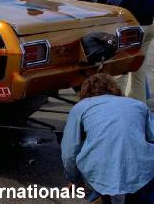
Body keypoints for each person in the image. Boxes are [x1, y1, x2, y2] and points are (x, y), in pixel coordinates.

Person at [61, 73, 154, 203]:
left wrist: (75, 180)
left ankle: (102, 197)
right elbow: (152, 137)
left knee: (103, 190)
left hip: (102, 174)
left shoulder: (81, 107)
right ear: (114, 89)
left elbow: (69, 152)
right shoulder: (137, 104)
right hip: (142, 172)